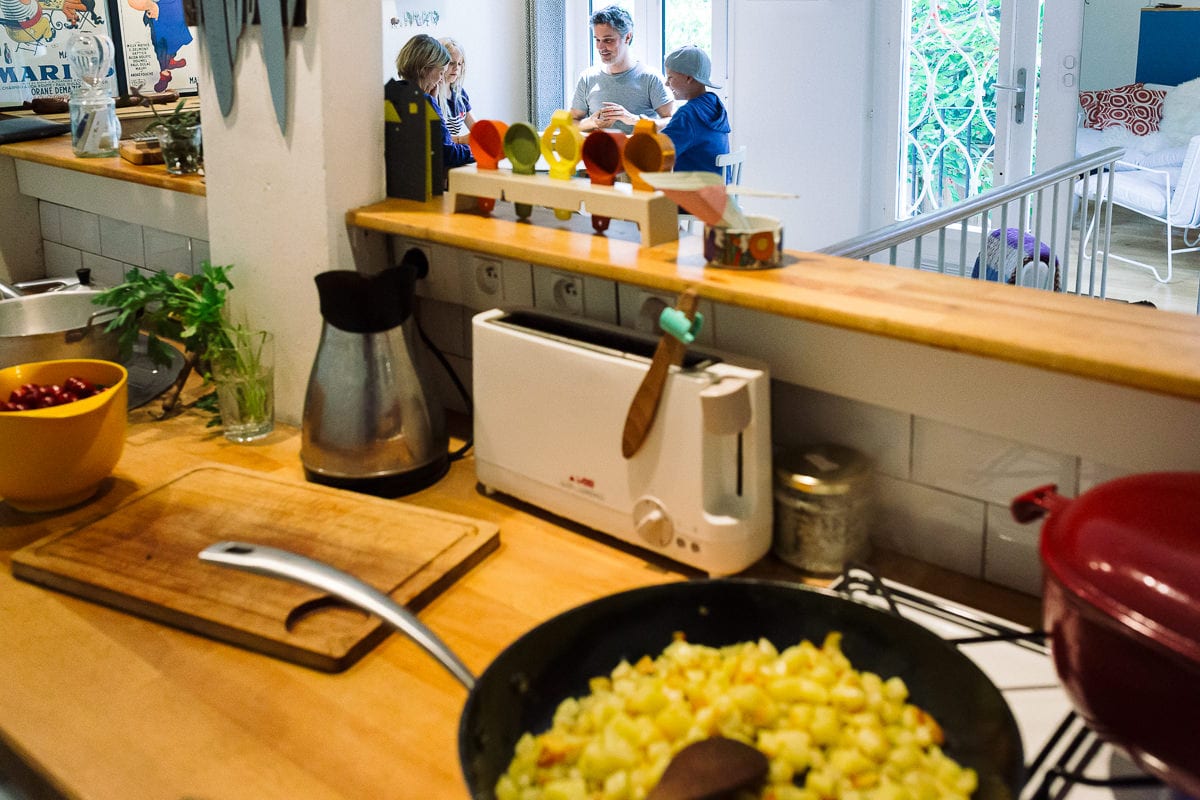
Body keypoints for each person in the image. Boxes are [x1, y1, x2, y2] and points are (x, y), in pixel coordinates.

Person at [569, 5, 672, 135]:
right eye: (597, 40)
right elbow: (571, 122)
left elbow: (673, 121)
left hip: (639, 148)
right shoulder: (587, 78)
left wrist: (635, 120)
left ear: (628, 37)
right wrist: (591, 122)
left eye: (608, 40)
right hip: (598, 148)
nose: (600, 47)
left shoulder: (650, 78)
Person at [393, 34, 473, 170]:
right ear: (425, 70)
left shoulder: (394, 92)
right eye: (441, 73)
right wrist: (476, 150)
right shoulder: (424, 102)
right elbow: (447, 153)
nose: (440, 80)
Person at [661, 45, 730, 177]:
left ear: (689, 78)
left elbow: (656, 150)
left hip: (695, 189)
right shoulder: (714, 104)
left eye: (670, 77)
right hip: (719, 186)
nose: (666, 83)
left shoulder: (688, 114)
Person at [437, 38, 476, 145]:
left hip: (455, 152)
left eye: (459, 64)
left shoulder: (460, 94)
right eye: (451, 63)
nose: (456, 68)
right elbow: (434, 137)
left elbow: (476, 128)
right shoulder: (432, 95)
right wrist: (461, 140)